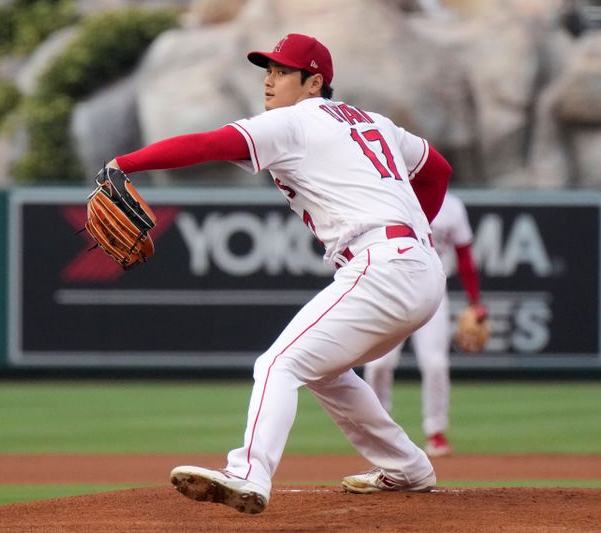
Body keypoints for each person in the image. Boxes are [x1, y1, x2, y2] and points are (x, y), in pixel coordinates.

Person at [105, 33, 452, 514]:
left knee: (277, 365)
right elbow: (437, 170)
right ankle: (409, 467)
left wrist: (126, 163)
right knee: (324, 371)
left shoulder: (294, 122)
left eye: (283, 72)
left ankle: (248, 473)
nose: (269, 81)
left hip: (383, 266)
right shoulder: (374, 121)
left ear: (314, 82)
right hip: (419, 270)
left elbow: (209, 143)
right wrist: (416, 236)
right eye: (267, 71)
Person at [363, 192, 487, 457]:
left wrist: (475, 301)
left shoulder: (452, 205)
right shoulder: (389, 195)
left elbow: (464, 256)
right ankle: (377, 433)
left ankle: (436, 432)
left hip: (433, 291)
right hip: (390, 289)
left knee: (435, 364)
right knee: (378, 364)